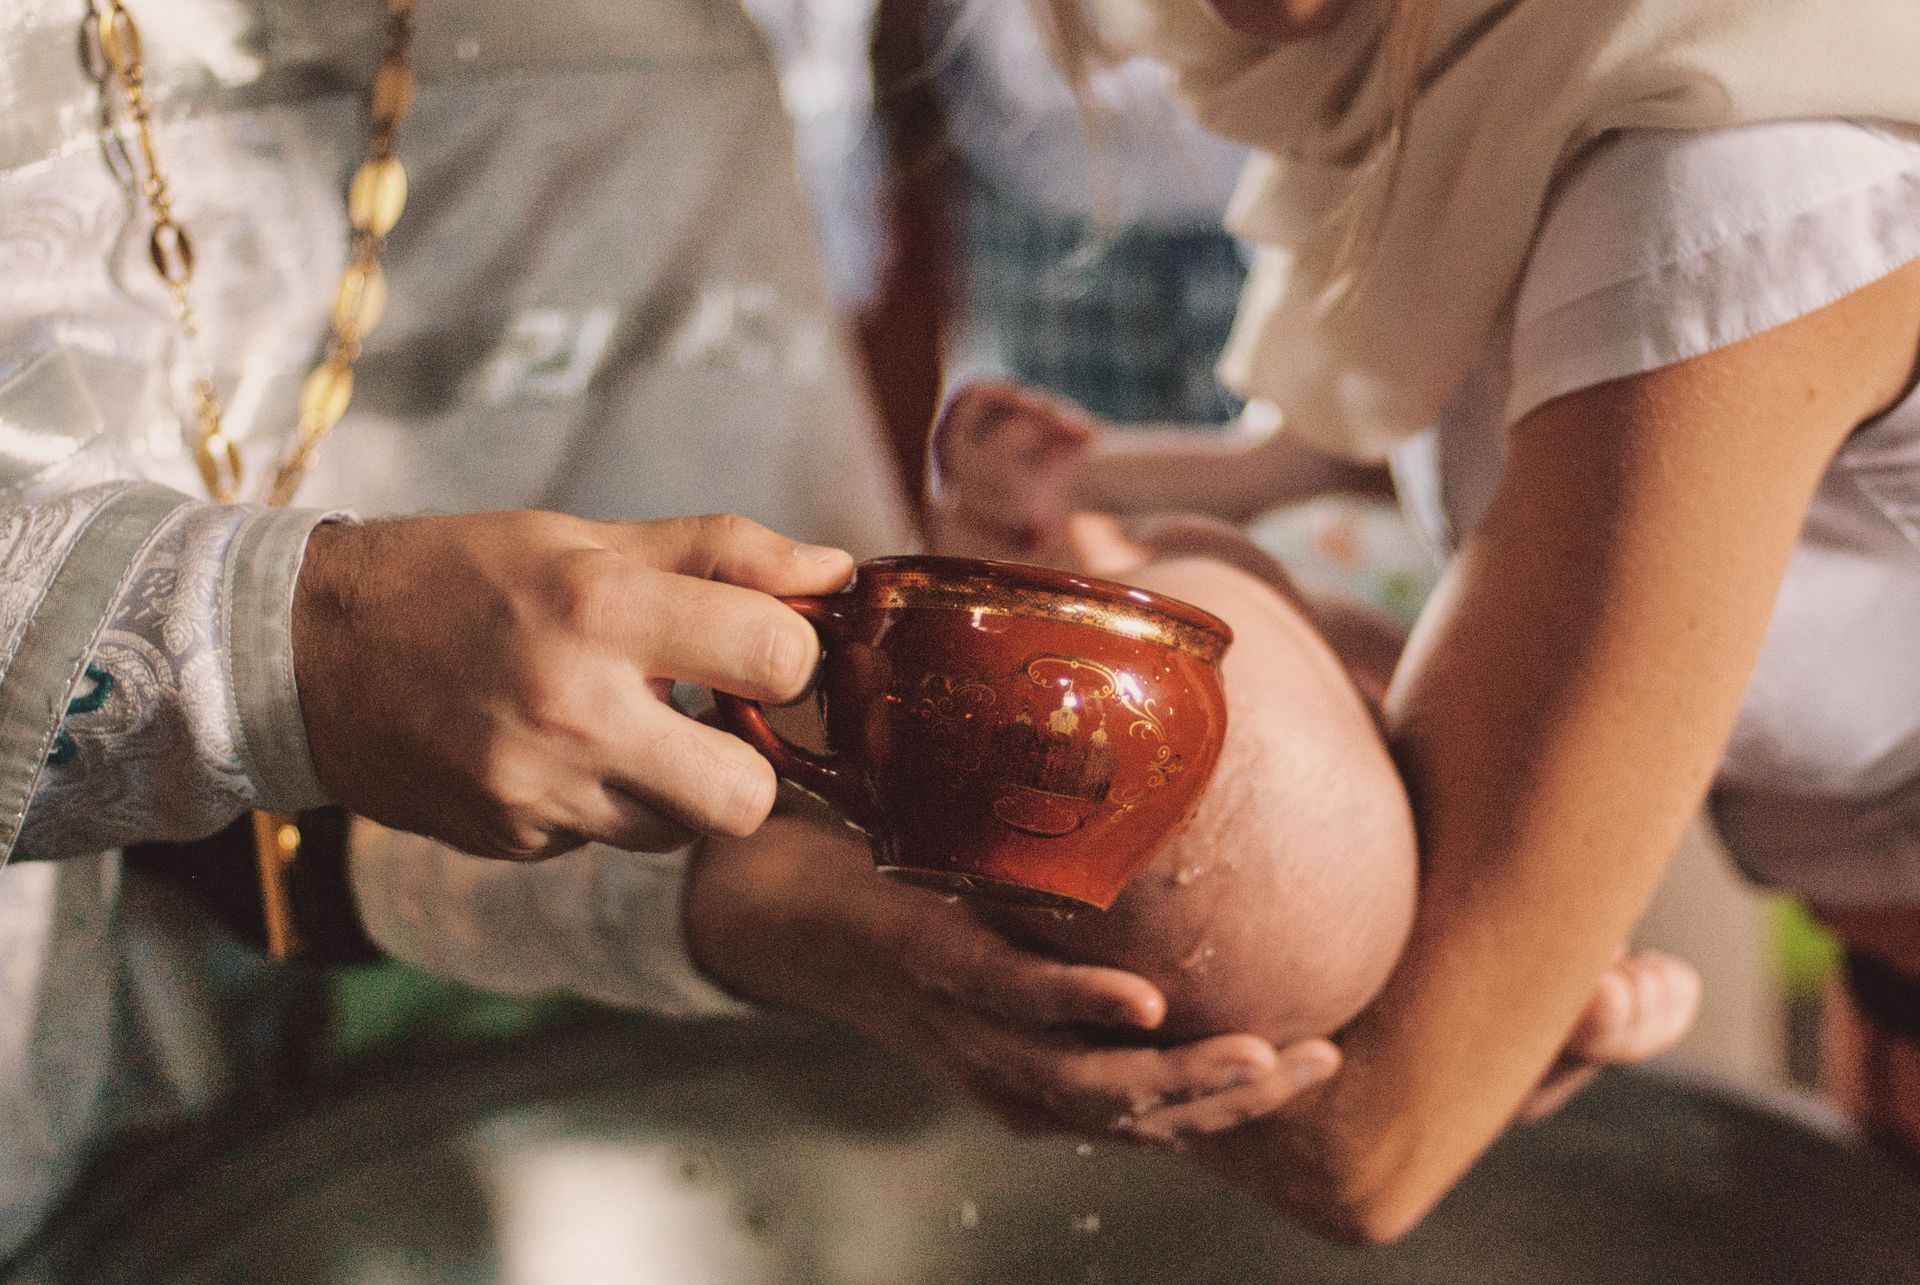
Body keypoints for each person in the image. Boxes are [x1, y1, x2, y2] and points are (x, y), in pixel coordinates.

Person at [0, 0, 1290, 1260]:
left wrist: (768, 903)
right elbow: (324, 688)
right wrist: (296, 645)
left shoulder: (650, 61)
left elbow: (375, 814)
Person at [1004, 0, 1920, 1241]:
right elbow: (1381, 444)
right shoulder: (1473, 97)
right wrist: (1077, 495)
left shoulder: (1723, 182)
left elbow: (1375, 1137)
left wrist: (858, 953)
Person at [685, 375, 1702, 1151]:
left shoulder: (1073, 629)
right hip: (1410, 830)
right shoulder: (1395, 747)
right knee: (1581, 981)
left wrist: (1019, 507)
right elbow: (1507, 910)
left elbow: (988, 628)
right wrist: (1567, 1001)